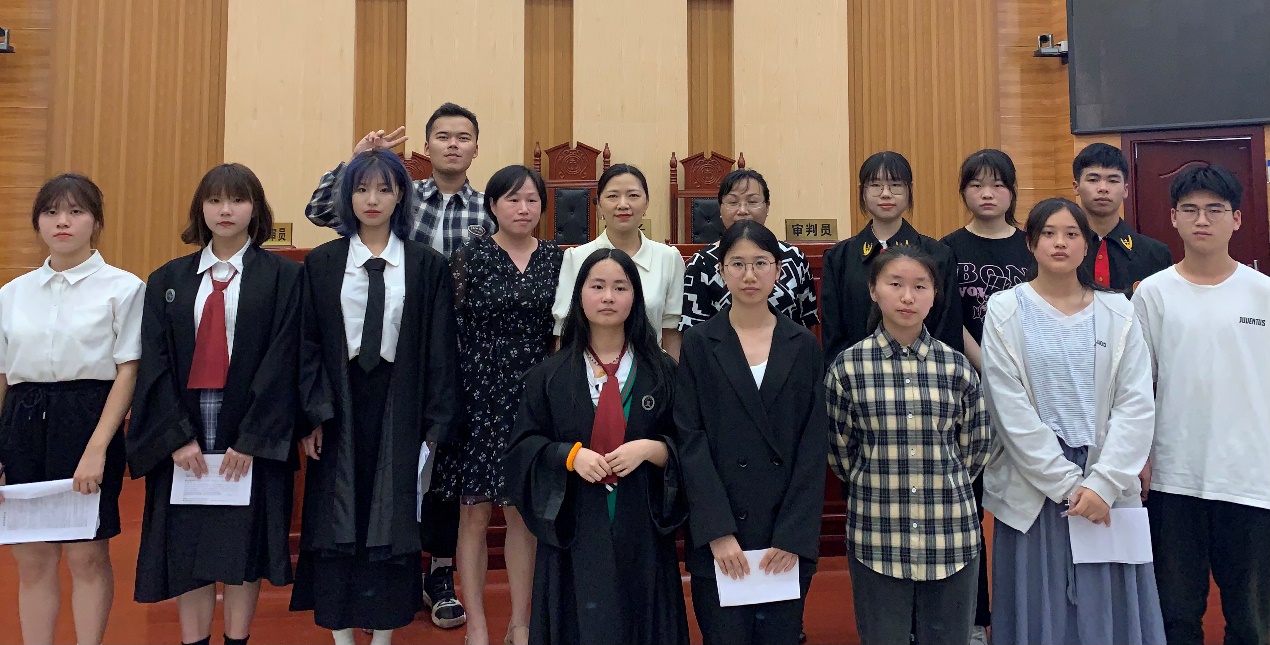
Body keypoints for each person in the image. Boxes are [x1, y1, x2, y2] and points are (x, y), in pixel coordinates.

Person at [306, 101, 489, 628]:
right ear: (425, 148)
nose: (453, 145)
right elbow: (322, 211)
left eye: (463, 137)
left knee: (432, 478)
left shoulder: (488, 210)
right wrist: (357, 161)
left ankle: (437, 576)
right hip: (375, 362)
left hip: (449, 355)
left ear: (476, 148)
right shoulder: (395, 189)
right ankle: (361, 591)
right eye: (443, 136)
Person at [290, 149, 459, 645]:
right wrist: (312, 415)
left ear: (401, 196)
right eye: (362, 189)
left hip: (400, 402)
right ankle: (342, 634)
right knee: (336, 516)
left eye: (385, 189)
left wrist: (435, 425)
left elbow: (440, 349)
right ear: (348, 196)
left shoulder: (425, 265)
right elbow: (306, 344)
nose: (373, 199)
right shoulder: (323, 263)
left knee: (392, 516)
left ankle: (383, 634)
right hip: (338, 404)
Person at [128, 163, 302, 645]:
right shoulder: (168, 279)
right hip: (185, 429)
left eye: (238, 200)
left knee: (242, 548)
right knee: (189, 547)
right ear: (200, 209)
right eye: (215, 200)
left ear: (256, 209)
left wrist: (252, 439)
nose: (226, 210)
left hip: (248, 431)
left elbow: (284, 358)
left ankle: (237, 640)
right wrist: (175, 437)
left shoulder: (284, 278)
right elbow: (155, 362)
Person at [982, 197, 1164, 644]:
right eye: (1048, 233)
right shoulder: (1005, 309)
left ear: (1087, 244)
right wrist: (1068, 485)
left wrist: (1102, 485)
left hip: (1105, 480)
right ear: (1031, 243)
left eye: (1071, 234)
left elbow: (1136, 402)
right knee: (1041, 613)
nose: (1059, 243)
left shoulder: (1118, 310)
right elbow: (1009, 409)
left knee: (1107, 614)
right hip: (1036, 484)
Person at [508, 248, 689, 645]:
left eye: (620, 288)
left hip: (642, 529)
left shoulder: (662, 373)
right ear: (579, 295)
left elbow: (689, 446)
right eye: (597, 286)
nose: (608, 297)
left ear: (636, 298)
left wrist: (652, 450)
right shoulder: (548, 376)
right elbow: (522, 449)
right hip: (575, 530)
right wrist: (568, 456)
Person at [0, 174, 144, 645]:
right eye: (51, 212)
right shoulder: (12, 293)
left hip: (87, 420)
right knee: (32, 556)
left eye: (76, 212)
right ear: (38, 222)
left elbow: (128, 370)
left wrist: (98, 447)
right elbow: (3, 377)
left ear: (95, 222)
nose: (62, 222)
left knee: (87, 555)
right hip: (22, 421)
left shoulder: (124, 288)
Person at [824, 245, 993, 645]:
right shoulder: (848, 368)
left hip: (950, 532)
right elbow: (840, 451)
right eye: (895, 284)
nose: (907, 297)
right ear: (873, 290)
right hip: (877, 531)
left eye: (920, 286)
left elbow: (977, 445)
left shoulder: (956, 366)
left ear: (934, 295)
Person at [1132, 165, 1270, 645]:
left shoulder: (1263, 293)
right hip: (1175, 478)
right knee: (1176, 615)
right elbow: (1137, 387)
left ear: (1237, 219)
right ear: (1173, 218)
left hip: (1250, 478)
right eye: (1190, 210)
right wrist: (1141, 457)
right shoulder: (1152, 294)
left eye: (1215, 209)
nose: (1202, 220)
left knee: (1252, 620)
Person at [676, 221, 828, 645]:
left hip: (784, 537)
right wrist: (717, 532)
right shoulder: (700, 343)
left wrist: (792, 535)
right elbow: (690, 439)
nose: (749, 275)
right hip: (721, 535)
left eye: (760, 263)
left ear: (778, 270)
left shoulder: (803, 344)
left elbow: (813, 445)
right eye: (737, 264)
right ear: (721, 271)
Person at [432, 165, 562, 645]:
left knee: (523, 514)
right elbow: (447, 331)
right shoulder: (470, 256)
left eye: (531, 200)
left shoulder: (557, 259)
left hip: (535, 399)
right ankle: (478, 625)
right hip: (477, 395)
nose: (523, 209)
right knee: (474, 513)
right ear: (491, 206)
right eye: (512, 199)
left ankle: (520, 623)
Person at [938, 148, 1031, 644]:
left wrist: (1015, 375)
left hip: (1031, 392)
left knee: (1029, 505)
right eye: (976, 185)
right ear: (963, 192)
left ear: (1012, 192)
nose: (987, 194)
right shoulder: (946, 249)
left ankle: (1028, 616)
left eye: (997, 185)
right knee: (968, 511)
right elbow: (949, 318)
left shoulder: (1033, 245)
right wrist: (991, 367)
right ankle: (974, 621)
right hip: (968, 395)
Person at [821, 151, 962, 363]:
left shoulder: (938, 255)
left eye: (895, 185)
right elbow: (833, 334)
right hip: (856, 371)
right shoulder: (839, 258)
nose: (886, 194)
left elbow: (948, 328)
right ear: (862, 192)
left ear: (909, 190)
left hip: (927, 372)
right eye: (875, 185)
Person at [551, 164, 686, 359]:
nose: (623, 204)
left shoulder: (668, 258)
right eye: (613, 196)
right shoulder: (576, 258)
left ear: (646, 203)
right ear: (599, 205)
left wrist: (672, 375)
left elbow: (671, 332)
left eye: (633, 195)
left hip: (649, 369)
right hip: (589, 369)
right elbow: (563, 331)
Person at [679, 168, 818, 331]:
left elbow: (807, 325)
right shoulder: (701, 263)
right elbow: (693, 334)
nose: (743, 210)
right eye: (733, 202)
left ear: (767, 206)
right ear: (720, 208)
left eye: (752, 202)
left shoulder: (794, 257)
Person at [1072, 143, 1172, 298]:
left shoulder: (1155, 254)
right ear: (1076, 187)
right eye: (1093, 179)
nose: (1103, 188)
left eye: (1113, 180)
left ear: (1125, 190)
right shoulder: (1059, 249)